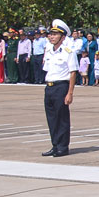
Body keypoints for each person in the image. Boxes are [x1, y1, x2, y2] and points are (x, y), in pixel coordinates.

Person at [41, 19, 76, 157]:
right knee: (51, 118)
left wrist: (70, 93)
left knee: (61, 118)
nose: (52, 36)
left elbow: (73, 72)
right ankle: (55, 145)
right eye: (51, 34)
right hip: (49, 86)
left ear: (62, 37)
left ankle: (63, 146)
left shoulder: (68, 52)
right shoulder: (49, 51)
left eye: (55, 34)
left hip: (61, 86)